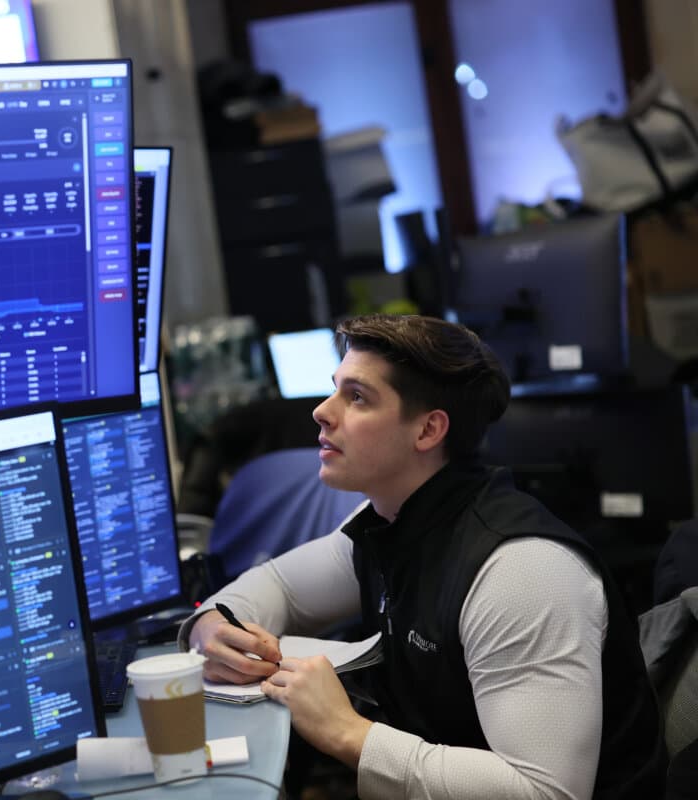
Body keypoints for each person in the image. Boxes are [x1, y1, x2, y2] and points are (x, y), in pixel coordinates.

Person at [181, 314, 666, 799]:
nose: (322, 412)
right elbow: (281, 586)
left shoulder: (522, 571)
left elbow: (545, 792)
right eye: (335, 389)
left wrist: (346, 732)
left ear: (428, 430)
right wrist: (213, 626)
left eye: (357, 397)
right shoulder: (393, 520)